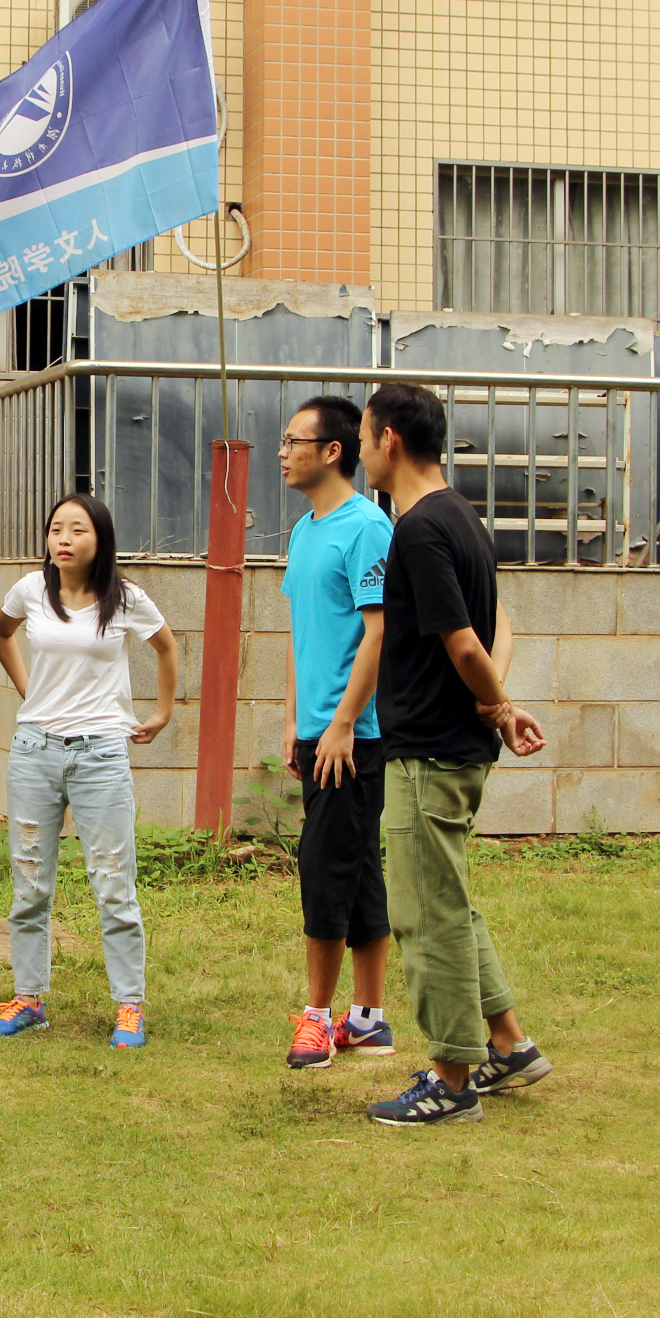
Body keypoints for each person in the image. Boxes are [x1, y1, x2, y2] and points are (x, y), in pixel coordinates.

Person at [357, 382, 555, 1128]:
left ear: (390, 440)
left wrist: (497, 706)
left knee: (424, 914)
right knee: (450, 900)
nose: (365, 452)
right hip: (455, 746)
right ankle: (508, 1044)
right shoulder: (463, 519)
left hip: (429, 754)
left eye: (366, 438)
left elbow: (467, 644)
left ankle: (451, 1080)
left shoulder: (419, 529)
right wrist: (496, 707)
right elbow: (502, 626)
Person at [0, 493, 177, 1049]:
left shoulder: (126, 598)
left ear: (101, 539)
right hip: (34, 752)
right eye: (55, 529)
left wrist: (162, 713)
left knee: (114, 883)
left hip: (101, 756)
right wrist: (29, 692)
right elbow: (1, 634)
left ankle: (129, 1007)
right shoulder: (29, 590)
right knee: (29, 881)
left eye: (77, 529)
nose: (63, 539)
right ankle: (28, 1000)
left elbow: (167, 648)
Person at [274, 396, 398, 1070]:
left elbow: (379, 633)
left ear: (332, 451)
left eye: (294, 441)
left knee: (324, 870)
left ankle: (318, 1018)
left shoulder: (367, 527)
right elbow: (304, 634)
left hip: (355, 735)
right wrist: (294, 719)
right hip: (318, 730)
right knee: (359, 870)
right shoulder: (304, 531)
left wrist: (345, 722)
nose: (282, 452)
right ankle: (370, 1019)